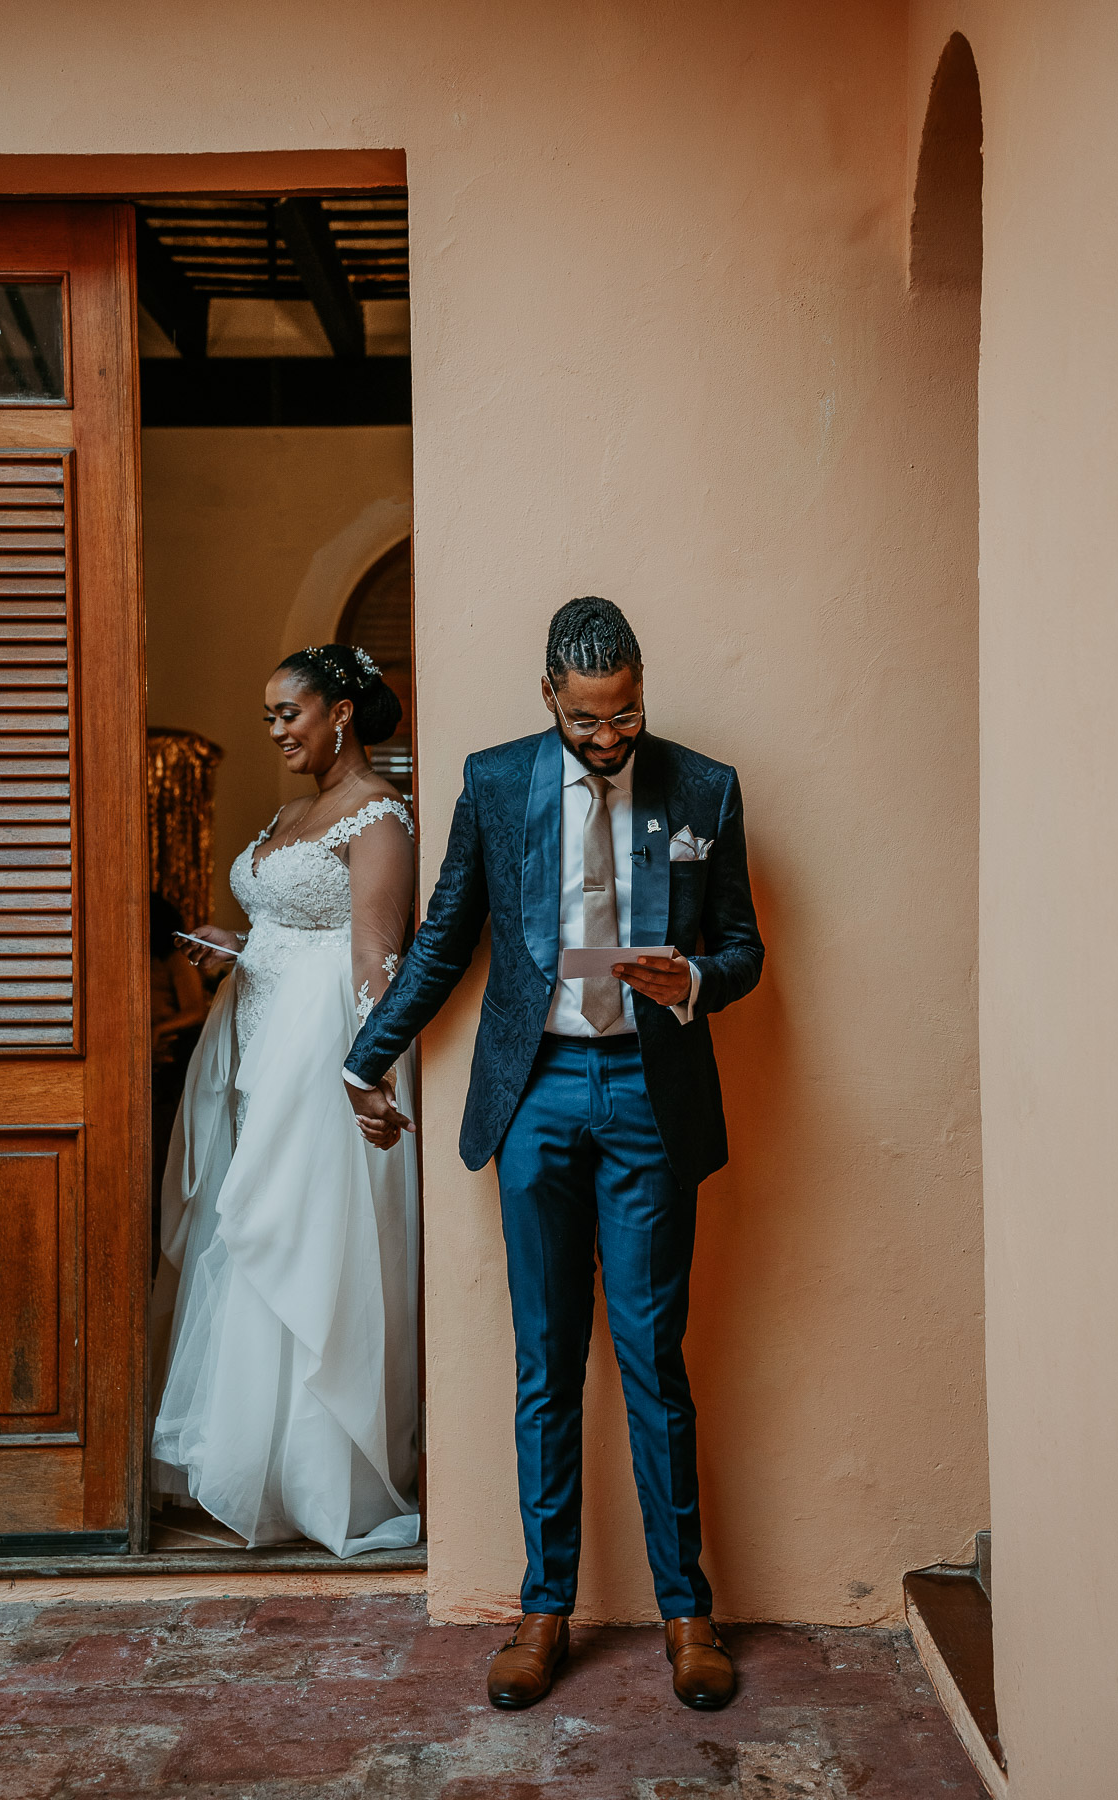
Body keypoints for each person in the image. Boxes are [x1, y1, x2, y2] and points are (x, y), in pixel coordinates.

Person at [344, 597, 763, 1708]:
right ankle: (545, 1610)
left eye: (627, 714)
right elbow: (444, 940)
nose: (612, 738)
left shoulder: (704, 787)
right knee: (545, 1362)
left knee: (650, 1357)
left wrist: (699, 981)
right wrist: (365, 1057)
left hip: (647, 1094)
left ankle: (687, 1615)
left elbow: (744, 946)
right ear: (549, 698)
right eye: (589, 721)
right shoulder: (493, 783)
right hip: (534, 1095)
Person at [150, 643, 420, 1559]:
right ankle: (245, 1459)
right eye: (268, 717)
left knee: (298, 1241)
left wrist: (368, 1073)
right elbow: (287, 932)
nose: (275, 731)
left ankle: (315, 1473)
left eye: (286, 714)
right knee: (243, 1234)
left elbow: (378, 957)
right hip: (252, 1046)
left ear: (339, 711)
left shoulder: (380, 818)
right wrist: (239, 946)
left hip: (321, 1061)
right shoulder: (292, 812)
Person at [149, 890, 208, 1275]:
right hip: (135, 1064)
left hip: (166, 1069)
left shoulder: (173, 959)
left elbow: (196, 1010)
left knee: (160, 1150)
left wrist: (155, 1031)